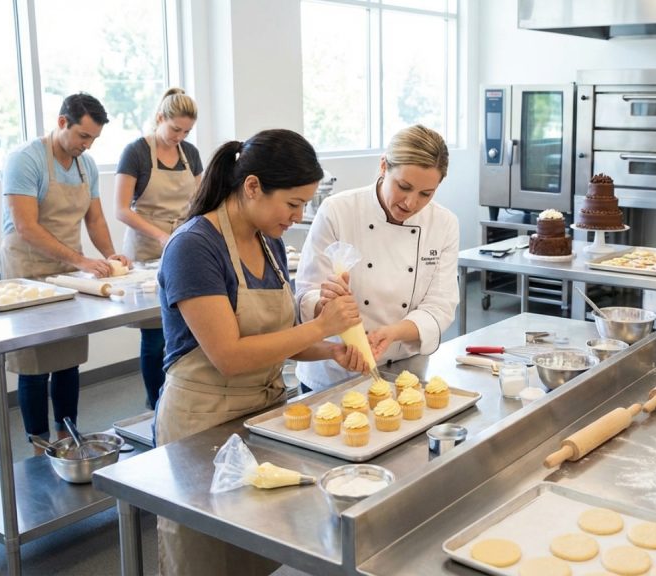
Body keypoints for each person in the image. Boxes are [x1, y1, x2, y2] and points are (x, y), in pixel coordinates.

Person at [154, 128, 363, 575]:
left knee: (258, 546)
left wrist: (328, 349)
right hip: (201, 422)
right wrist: (320, 325)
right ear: (252, 187)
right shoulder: (194, 247)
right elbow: (229, 355)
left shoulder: (267, 241)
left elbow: (277, 338)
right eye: (292, 203)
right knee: (205, 553)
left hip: (260, 417)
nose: (298, 215)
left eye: (304, 204)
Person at [0, 92, 130, 450]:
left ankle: (66, 436)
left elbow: (96, 217)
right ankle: (40, 442)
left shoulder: (85, 165)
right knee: (35, 362)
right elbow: (26, 226)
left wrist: (110, 254)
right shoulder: (26, 161)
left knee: (69, 357)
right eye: (83, 136)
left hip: (66, 269)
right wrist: (81, 261)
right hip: (25, 271)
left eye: (93, 139)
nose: (87, 146)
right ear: (62, 123)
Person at [295, 124, 459, 390]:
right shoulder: (338, 211)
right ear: (384, 166)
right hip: (335, 372)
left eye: (425, 194)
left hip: (405, 372)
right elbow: (305, 293)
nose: (410, 203)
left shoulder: (444, 223)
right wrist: (325, 303)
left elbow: (440, 306)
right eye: (403, 187)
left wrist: (392, 333)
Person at [115, 87, 203, 410]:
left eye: (187, 131)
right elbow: (122, 209)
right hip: (147, 251)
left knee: (186, 331)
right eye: (175, 129)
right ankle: (156, 405)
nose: (180, 136)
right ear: (159, 118)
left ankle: (179, 401)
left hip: (182, 247)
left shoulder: (190, 154)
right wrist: (161, 236)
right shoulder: (136, 152)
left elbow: (201, 200)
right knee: (154, 337)